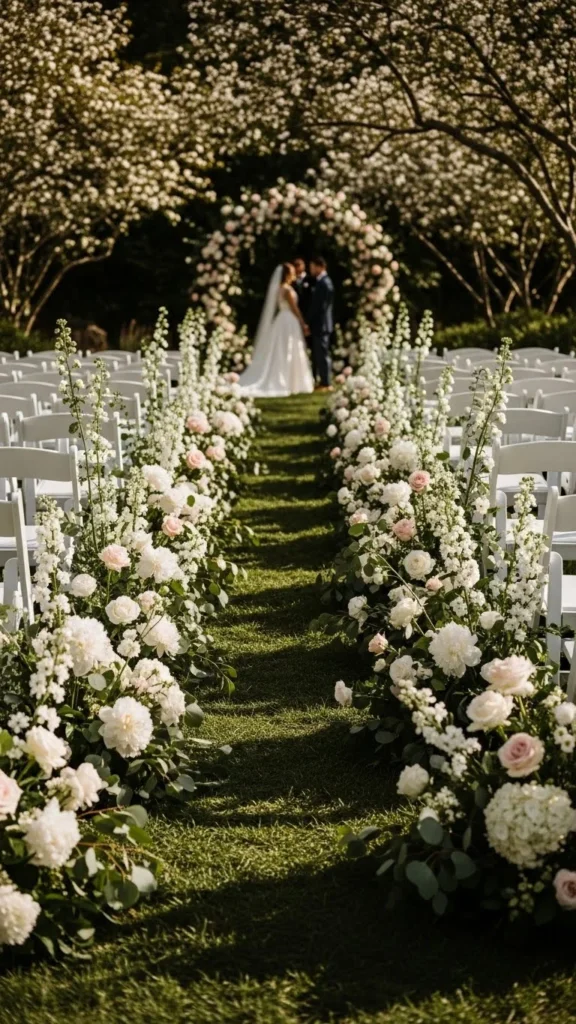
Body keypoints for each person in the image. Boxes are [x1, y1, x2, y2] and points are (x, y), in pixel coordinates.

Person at [238, 263, 314, 398]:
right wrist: (303, 323)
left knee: (282, 349)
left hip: (281, 320)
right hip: (289, 320)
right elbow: (294, 308)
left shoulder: (279, 288)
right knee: (288, 349)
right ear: (287, 274)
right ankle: (291, 381)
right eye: (292, 272)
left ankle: (290, 381)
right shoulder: (287, 290)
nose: (294, 275)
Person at [307, 256, 335, 391]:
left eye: (312, 267)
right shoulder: (322, 282)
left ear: (320, 267)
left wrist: (309, 320)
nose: (311, 270)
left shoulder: (324, 283)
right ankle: (323, 380)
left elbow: (320, 307)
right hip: (321, 324)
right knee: (319, 353)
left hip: (321, 324)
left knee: (322, 354)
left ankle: (326, 382)